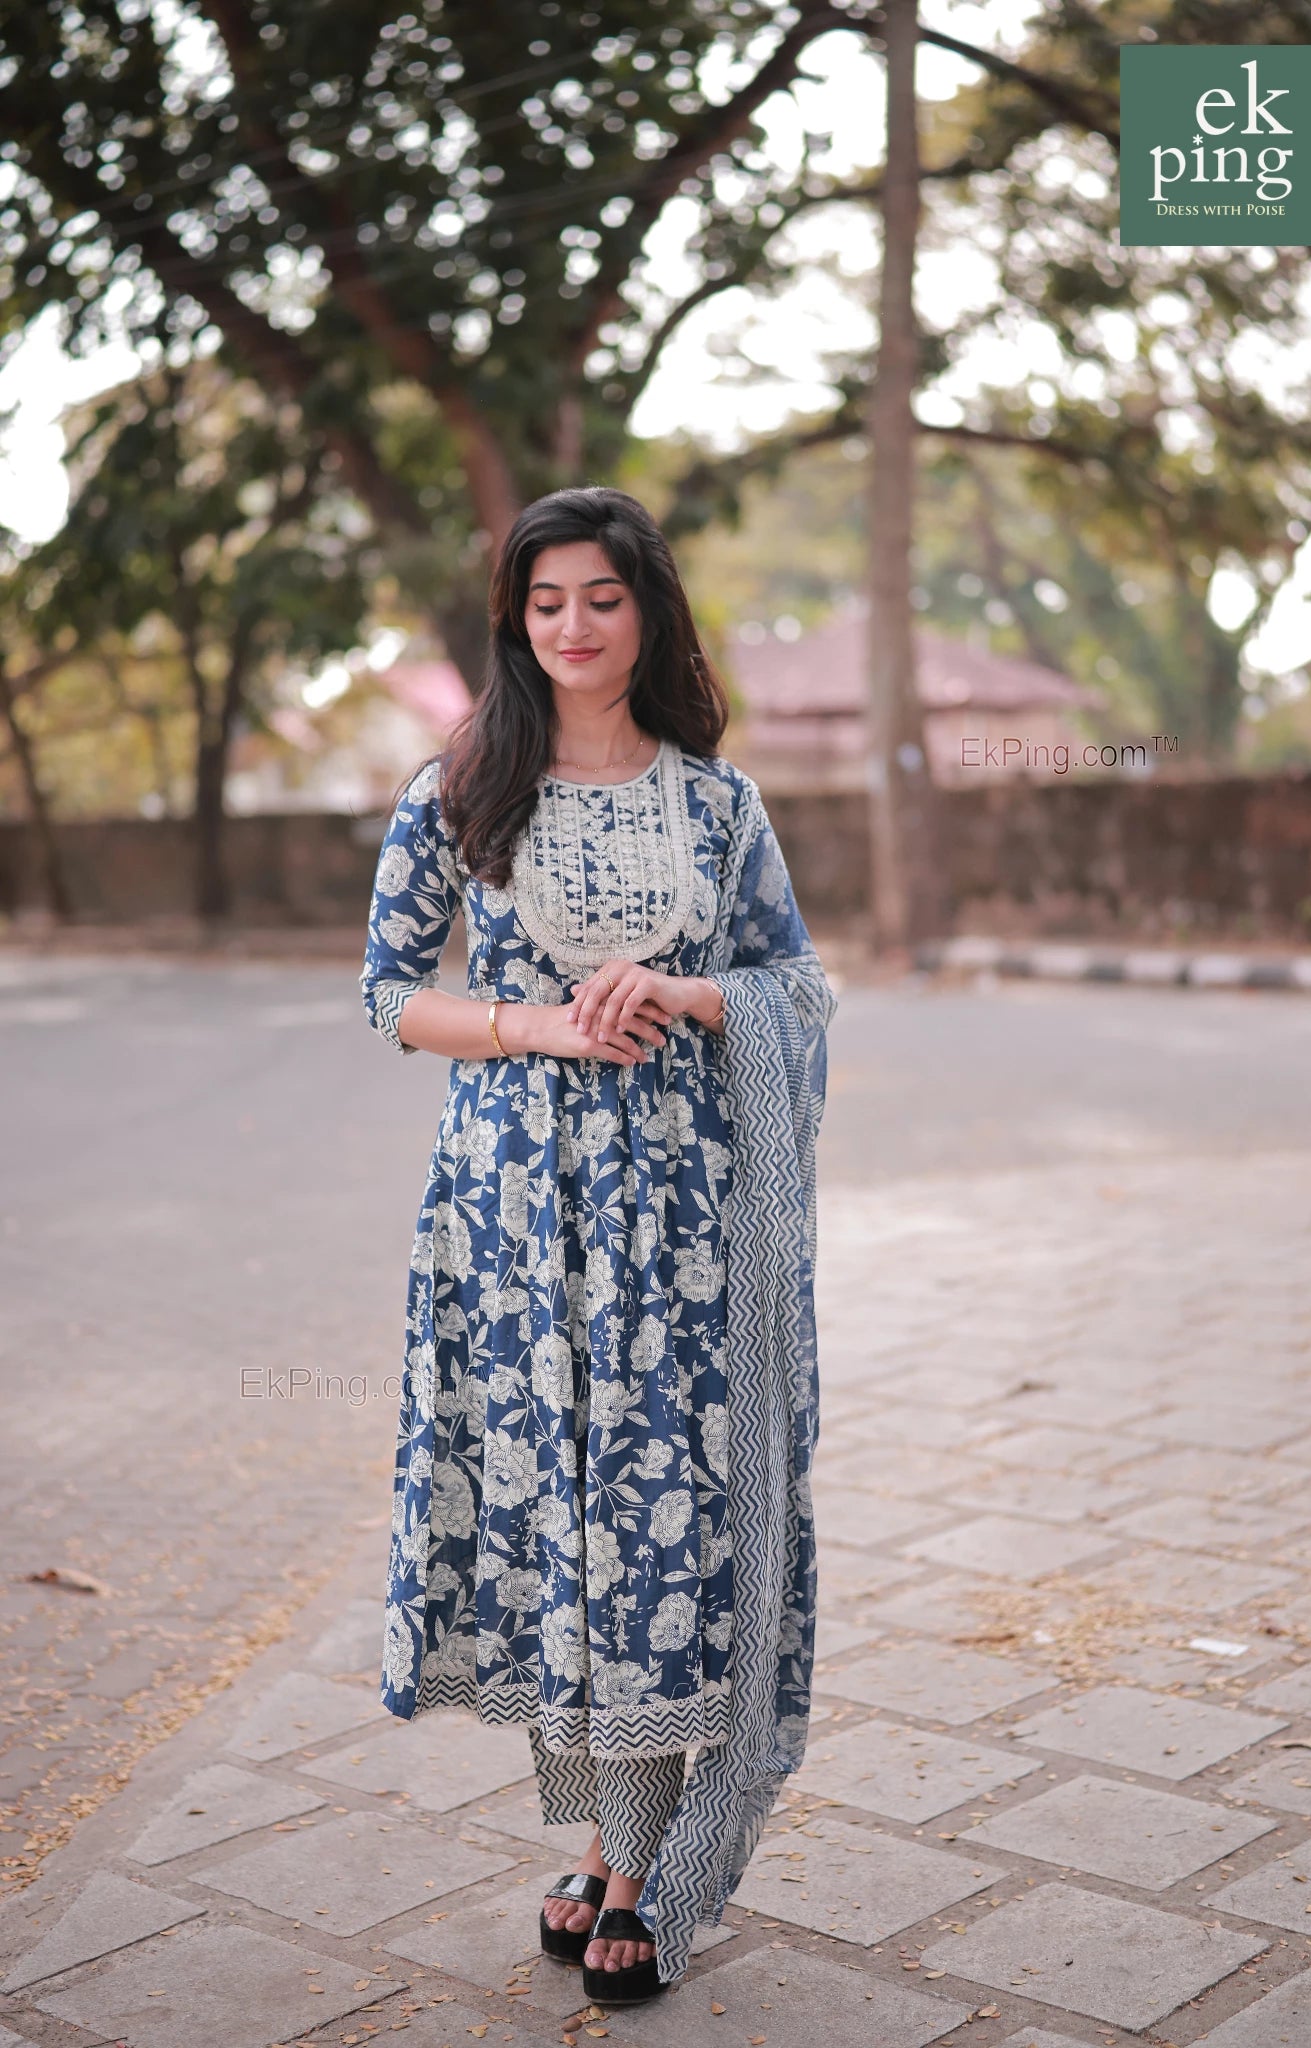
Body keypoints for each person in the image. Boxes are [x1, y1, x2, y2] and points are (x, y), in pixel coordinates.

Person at [360, 486, 835, 2005]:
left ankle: (640, 1871)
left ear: (649, 615)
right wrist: (538, 1027)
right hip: (513, 1210)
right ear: (517, 620)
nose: (573, 625)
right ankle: (611, 1854)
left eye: (602, 598)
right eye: (545, 600)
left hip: (685, 1225)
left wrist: (689, 994)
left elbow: (795, 988)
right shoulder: (461, 784)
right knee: (561, 1517)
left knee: (664, 1525)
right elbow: (384, 992)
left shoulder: (717, 805)